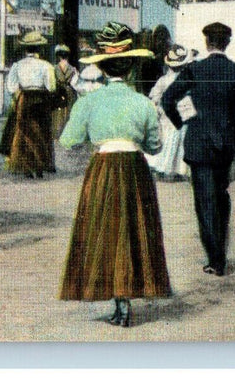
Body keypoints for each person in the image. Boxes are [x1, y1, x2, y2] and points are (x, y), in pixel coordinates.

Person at [59, 21, 170, 327]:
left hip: (103, 167)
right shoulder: (143, 103)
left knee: (103, 230)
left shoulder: (89, 101)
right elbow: (156, 146)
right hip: (135, 168)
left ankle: (116, 299)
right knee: (134, 230)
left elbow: (68, 140)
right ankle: (128, 295)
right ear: (131, 66)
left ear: (103, 68)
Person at [162, 21, 235, 277]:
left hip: (198, 143)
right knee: (221, 196)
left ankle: (215, 258)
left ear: (206, 42)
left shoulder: (195, 69)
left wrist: (184, 122)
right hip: (224, 146)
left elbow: (169, 99)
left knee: (204, 201)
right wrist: (231, 135)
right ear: (227, 43)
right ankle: (220, 253)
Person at [0, 31, 57, 179]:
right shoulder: (46, 66)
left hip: (24, 99)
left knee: (23, 133)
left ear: (25, 49)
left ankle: (25, 166)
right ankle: (40, 166)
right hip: (40, 99)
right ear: (40, 49)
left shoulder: (18, 65)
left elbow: (11, 86)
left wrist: (18, 95)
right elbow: (51, 87)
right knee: (41, 132)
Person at [146, 45, 192, 181]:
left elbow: (154, 96)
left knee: (166, 139)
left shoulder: (163, 79)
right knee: (180, 142)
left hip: (166, 114)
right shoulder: (186, 80)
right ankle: (178, 169)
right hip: (182, 113)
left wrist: (158, 107)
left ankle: (162, 168)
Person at [51, 44, 79, 147]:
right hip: (69, 92)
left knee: (57, 113)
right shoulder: (73, 69)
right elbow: (75, 83)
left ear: (58, 56)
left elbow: (52, 82)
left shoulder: (53, 68)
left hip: (57, 92)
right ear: (67, 56)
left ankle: (56, 135)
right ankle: (67, 136)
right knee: (69, 112)